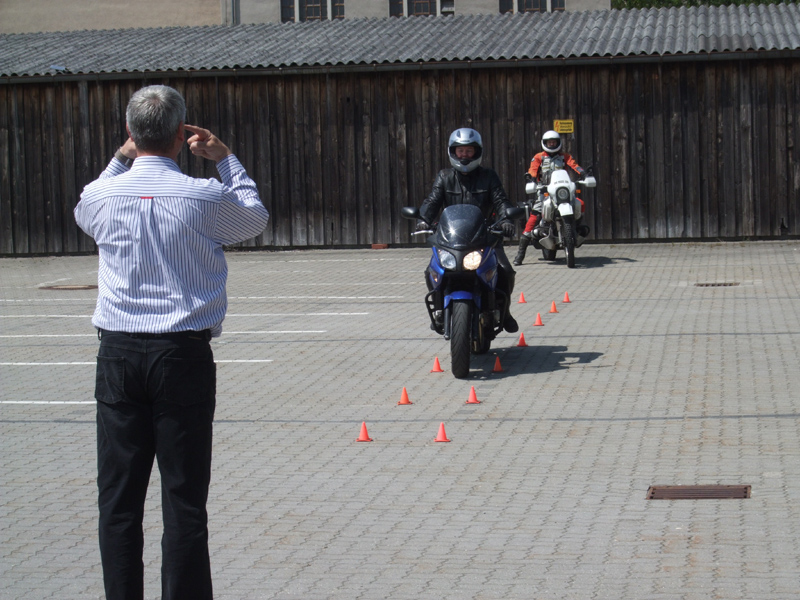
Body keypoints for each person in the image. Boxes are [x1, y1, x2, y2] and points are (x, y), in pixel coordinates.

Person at [74, 85, 270, 600]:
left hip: (117, 353)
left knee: (118, 500)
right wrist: (225, 158)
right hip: (181, 354)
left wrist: (122, 156)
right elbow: (254, 216)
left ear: (130, 134)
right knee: (183, 498)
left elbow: (87, 201)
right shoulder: (204, 196)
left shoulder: (100, 196)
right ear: (183, 135)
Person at [417, 127, 519, 333]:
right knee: (432, 270)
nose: (464, 155)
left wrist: (507, 218)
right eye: (460, 151)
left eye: (468, 151)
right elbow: (433, 200)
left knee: (506, 271)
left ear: (477, 152)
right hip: (451, 238)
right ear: (453, 152)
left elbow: (501, 200)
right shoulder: (445, 177)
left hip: (486, 236)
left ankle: (505, 312)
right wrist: (423, 219)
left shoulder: (489, 176)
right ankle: (439, 309)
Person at [514, 130, 588, 265]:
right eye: (549, 142)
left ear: (558, 143)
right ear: (545, 143)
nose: (552, 144)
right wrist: (531, 177)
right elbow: (533, 169)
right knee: (535, 215)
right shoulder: (539, 157)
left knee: (579, 203)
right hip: (545, 191)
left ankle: (575, 227)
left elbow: (574, 165)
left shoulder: (564, 156)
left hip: (562, 190)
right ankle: (520, 254)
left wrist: (583, 173)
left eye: (554, 142)